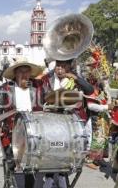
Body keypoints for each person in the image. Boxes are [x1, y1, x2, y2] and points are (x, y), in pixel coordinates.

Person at [39, 59, 94, 188]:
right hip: (52, 121)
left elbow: (90, 90)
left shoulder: (75, 78)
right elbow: (42, 97)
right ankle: (50, 178)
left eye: (64, 66)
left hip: (70, 123)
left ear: (69, 67)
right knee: (53, 149)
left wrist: (75, 78)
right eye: (58, 65)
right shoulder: (47, 79)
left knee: (65, 151)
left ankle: (62, 176)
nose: (60, 69)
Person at [0, 57, 43, 188]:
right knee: (10, 162)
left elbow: (44, 106)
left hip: (33, 131)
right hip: (11, 130)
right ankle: (9, 181)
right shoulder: (5, 87)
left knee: (30, 165)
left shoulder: (37, 86)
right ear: (15, 73)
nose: (24, 74)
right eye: (21, 71)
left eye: (27, 71)